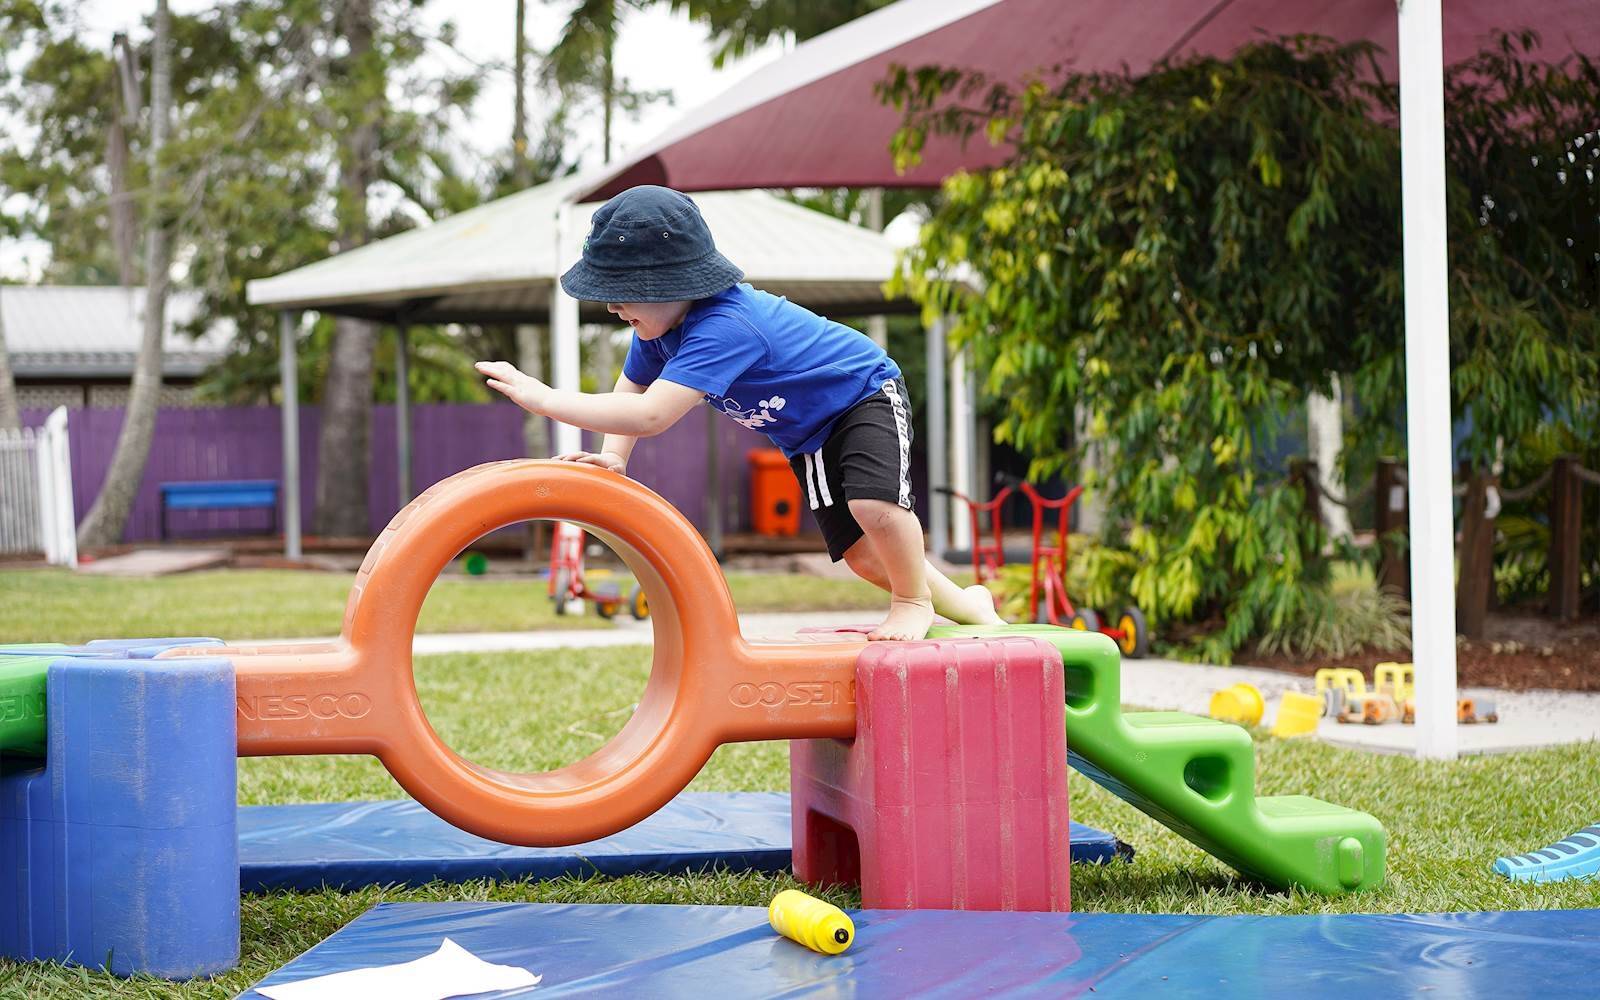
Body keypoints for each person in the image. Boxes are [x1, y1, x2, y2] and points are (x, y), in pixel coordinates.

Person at [477, 185, 1002, 640]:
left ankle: (913, 601)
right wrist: (615, 457)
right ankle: (969, 606)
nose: (612, 308)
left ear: (674, 286)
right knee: (864, 556)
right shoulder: (657, 331)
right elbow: (631, 389)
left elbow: (652, 415)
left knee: (873, 507)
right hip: (809, 433)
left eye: (622, 294)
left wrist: (543, 398)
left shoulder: (725, 325)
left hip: (860, 393)